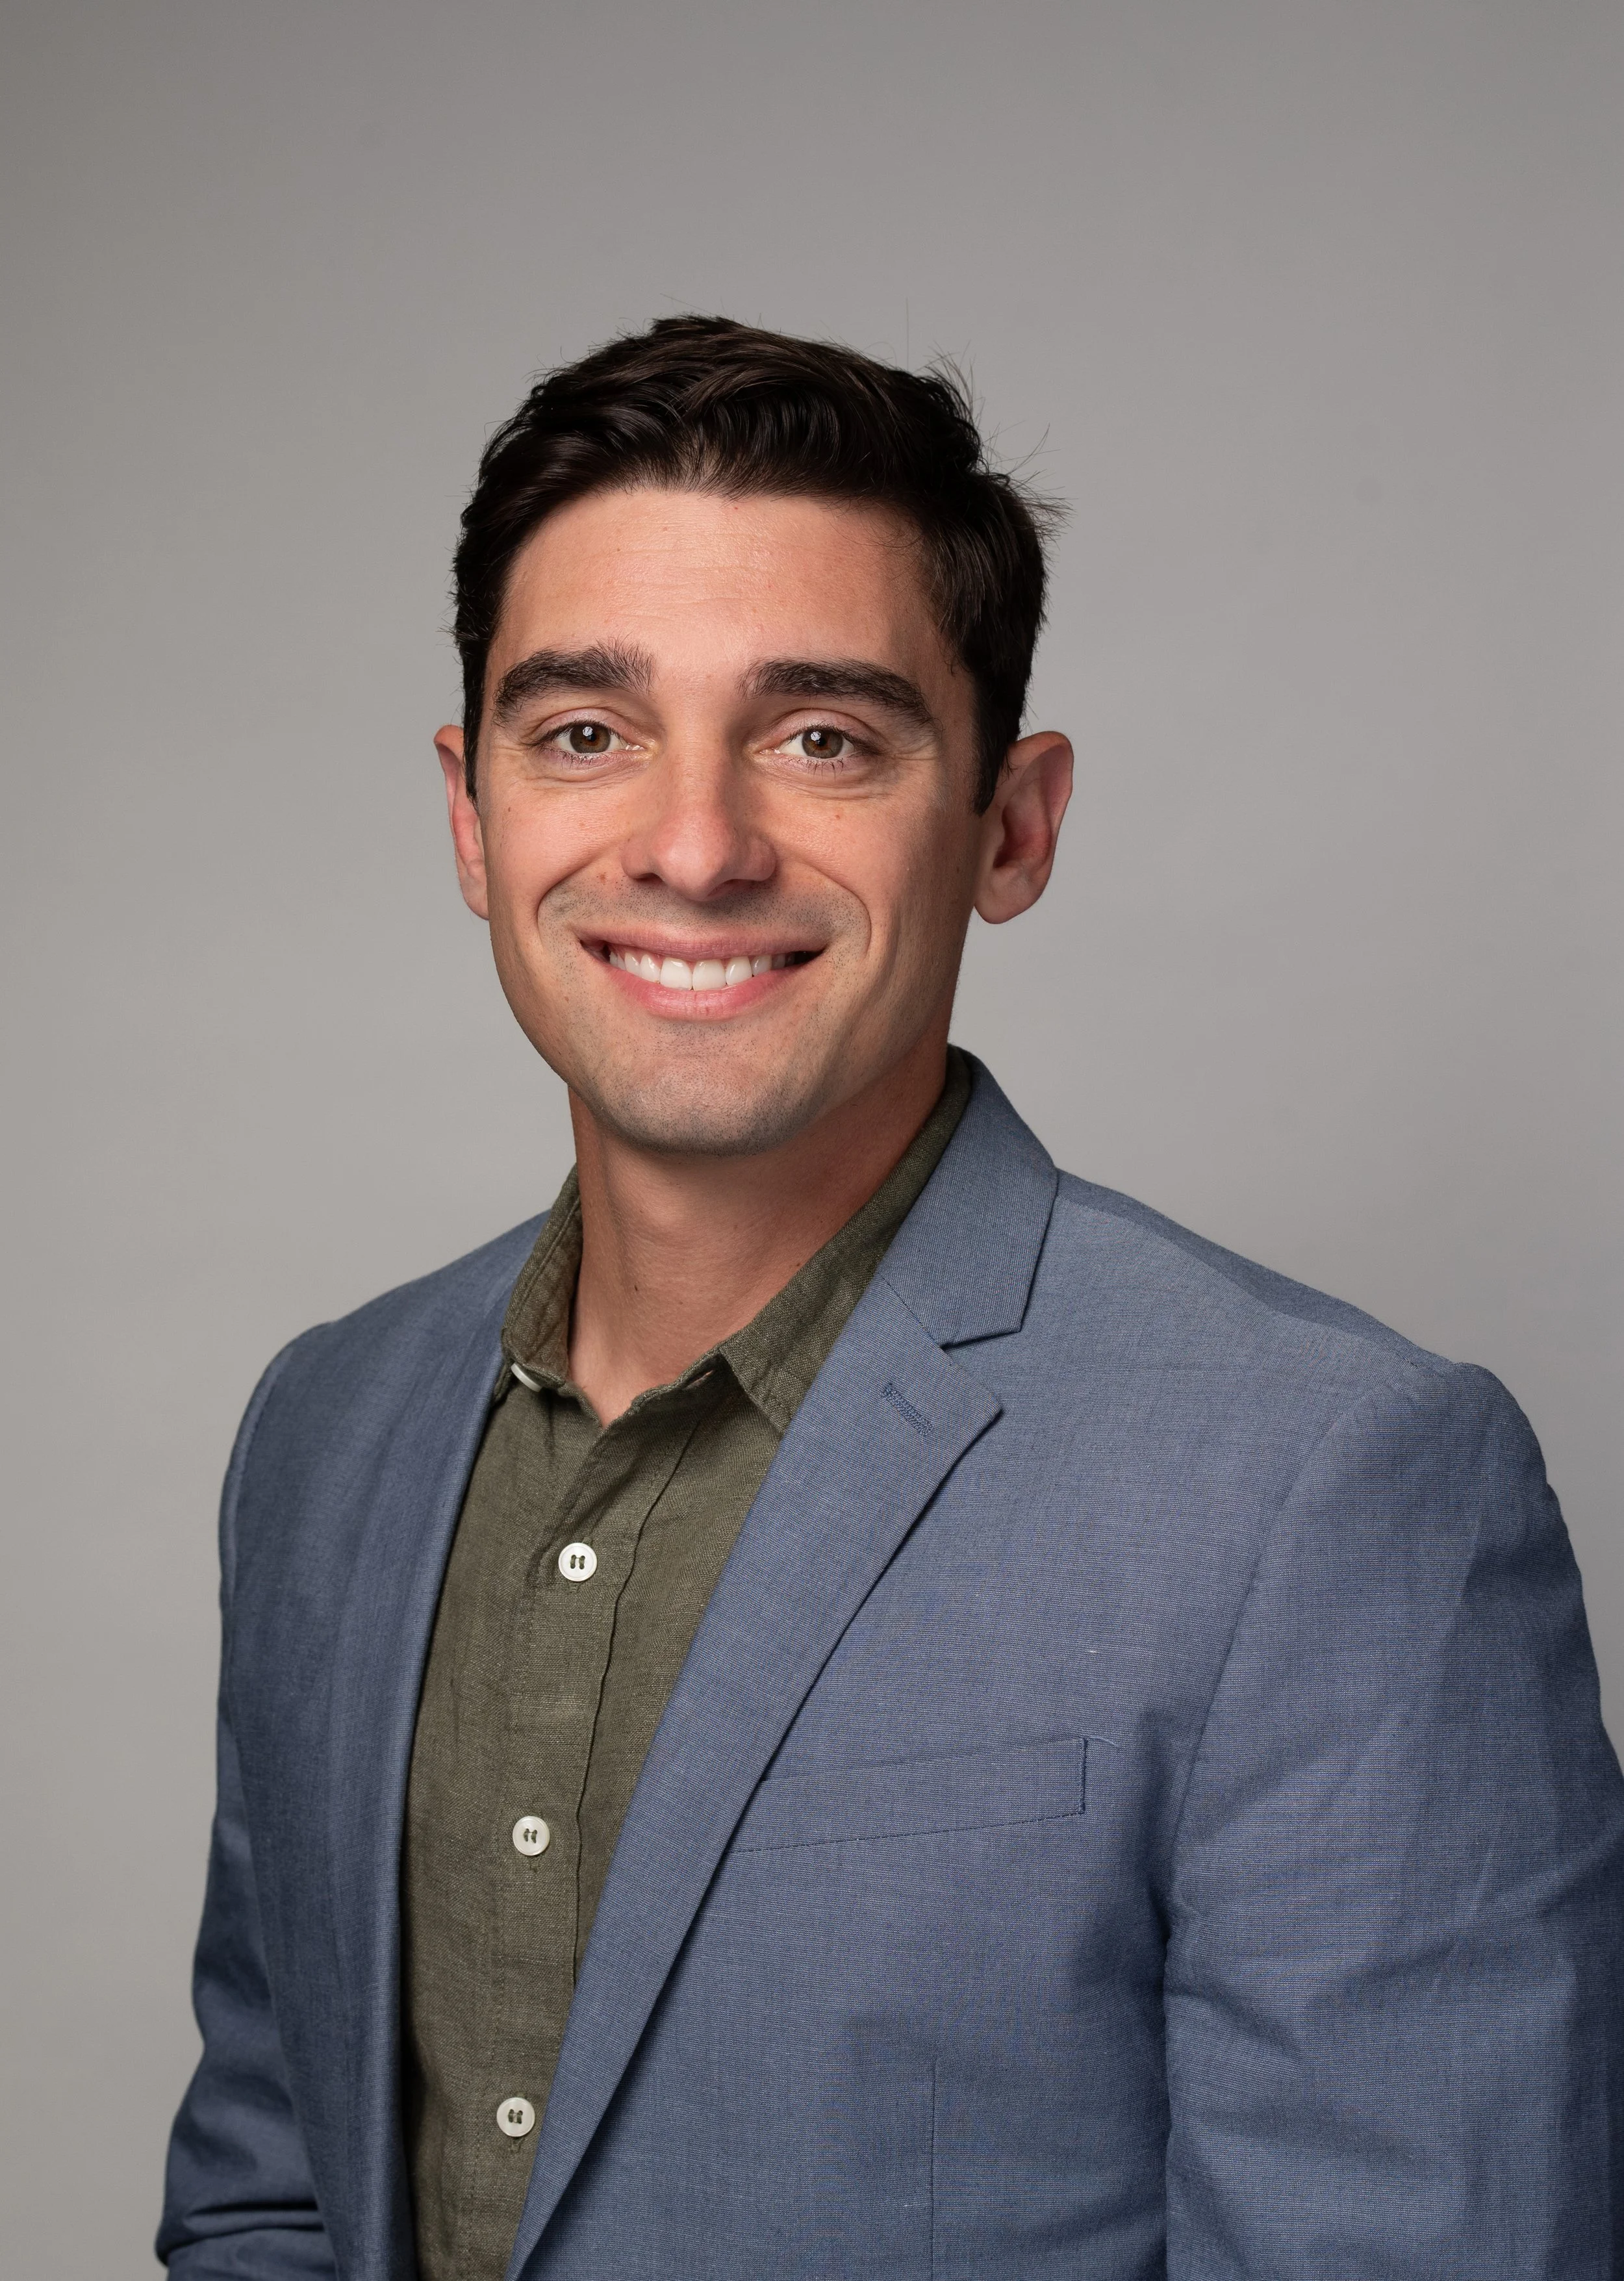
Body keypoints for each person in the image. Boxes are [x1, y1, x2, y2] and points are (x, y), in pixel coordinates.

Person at [158, 316, 1623, 2281]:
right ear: (469, 811)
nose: (690, 844)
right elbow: (267, 2193)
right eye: (583, 731)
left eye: (821, 736)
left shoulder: (1333, 1490)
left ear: (1008, 825)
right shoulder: (326, 1430)